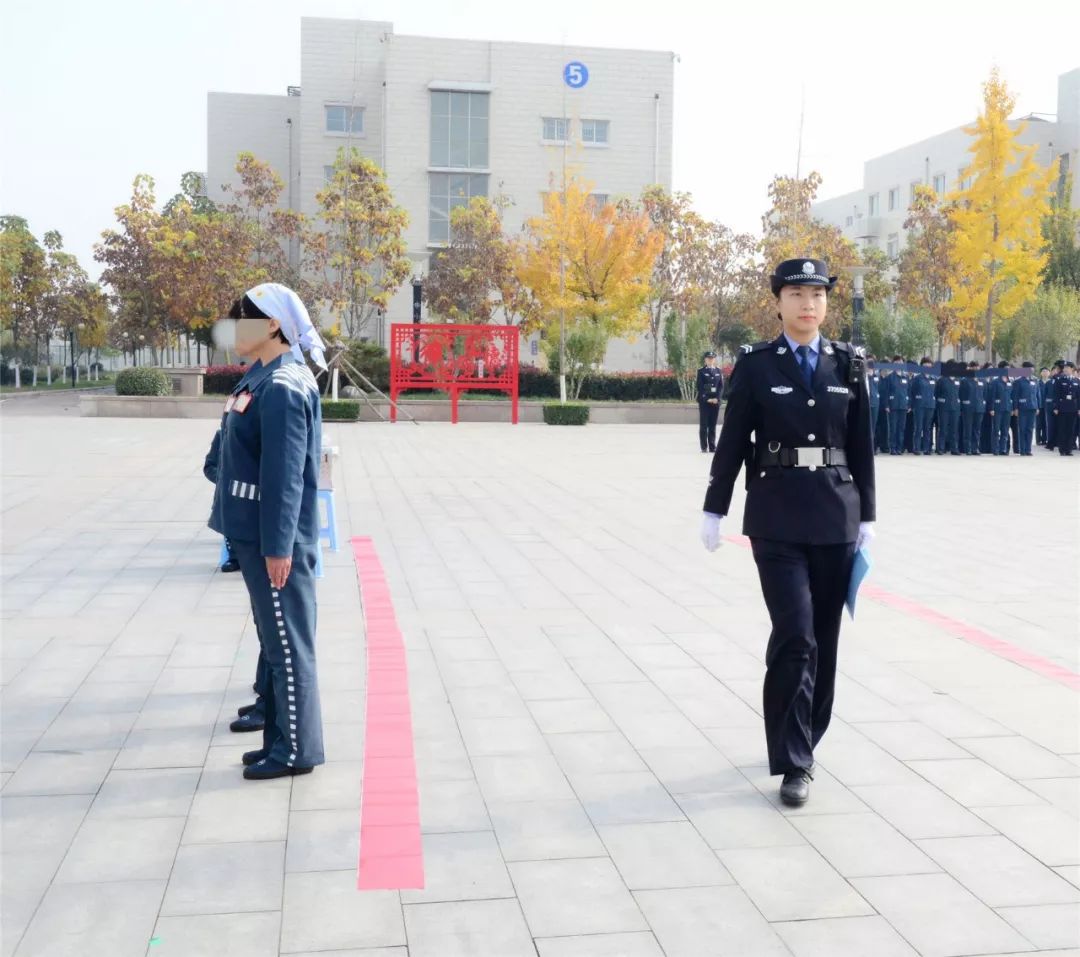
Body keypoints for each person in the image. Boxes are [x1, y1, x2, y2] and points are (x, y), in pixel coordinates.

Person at [699, 258, 875, 808]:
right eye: (796, 293)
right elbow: (731, 443)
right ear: (777, 301)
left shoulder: (848, 364)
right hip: (775, 518)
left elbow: (862, 445)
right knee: (795, 634)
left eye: (817, 295)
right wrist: (715, 507)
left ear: (826, 304)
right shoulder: (754, 364)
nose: (807, 304)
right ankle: (794, 762)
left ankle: (806, 738)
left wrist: (868, 517)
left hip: (835, 516)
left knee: (823, 638)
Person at [207, 282, 328, 780]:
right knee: (275, 644)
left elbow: (284, 476)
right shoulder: (262, 379)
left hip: (275, 541)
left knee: (287, 646)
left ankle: (297, 751)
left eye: (243, 320)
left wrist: (279, 546)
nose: (233, 330)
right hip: (255, 535)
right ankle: (278, 740)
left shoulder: (282, 386)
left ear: (272, 324)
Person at [696, 351, 724, 453]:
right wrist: (707, 398)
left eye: (712, 358)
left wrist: (717, 398)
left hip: (715, 402)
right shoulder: (701, 371)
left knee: (712, 425)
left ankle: (712, 446)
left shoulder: (718, 371)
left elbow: (720, 387)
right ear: (705, 359)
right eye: (708, 358)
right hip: (705, 402)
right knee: (704, 425)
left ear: (714, 359)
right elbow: (700, 386)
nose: (710, 360)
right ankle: (704, 447)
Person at [1011, 362, 1039, 456]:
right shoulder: (1018, 381)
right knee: (1022, 429)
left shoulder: (1035, 380)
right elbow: (1015, 396)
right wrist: (1015, 408)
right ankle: (1022, 449)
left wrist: (1037, 406)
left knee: (1030, 429)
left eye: (1032, 369)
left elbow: (1037, 395)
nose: (1031, 371)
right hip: (1022, 408)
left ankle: (1028, 449)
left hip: (1032, 407)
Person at [883, 357, 910, 455]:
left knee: (901, 428)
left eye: (901, 362)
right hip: (893, 406)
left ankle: (899, 448)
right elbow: (886, 392)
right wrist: (886, 405)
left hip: (903, 406)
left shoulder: (906, 377)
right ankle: (893, 448)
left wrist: (909, 404)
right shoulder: (890, 377)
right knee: (893, 428)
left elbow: (909, 391)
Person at [910, 358, 937, 455]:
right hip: (919, 406)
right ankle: (916, 448)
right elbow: (912, 392)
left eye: (929, 366)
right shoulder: (917, 379)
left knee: (927, 428)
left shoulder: (933, 379)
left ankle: (927, 448)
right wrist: (912, 404)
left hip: (930, 406)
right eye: (925, 366)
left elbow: (935, 392)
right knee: (918, 427)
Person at [986, 362, 1013, 455]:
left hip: (1007, 409)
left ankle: (1003, 449)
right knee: (996, 430)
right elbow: (991, 396)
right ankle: (995, 449)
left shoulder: (1009, 381)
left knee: (1005, 430)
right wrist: (991, 408)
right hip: (997, 409)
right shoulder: (995, 382)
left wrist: (1012, 408)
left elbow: (1011, 396)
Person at [1053, 361, 1079, 456]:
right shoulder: (1060, 380)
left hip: (1073, 407)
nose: (1065, 369)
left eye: (1067, 368)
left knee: (1071, 429)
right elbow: (1056, 394)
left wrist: (1079, 408)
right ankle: (1062, 449)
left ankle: (1069, 449)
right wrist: (1056, 407)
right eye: (1064, 368)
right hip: (1062, 407)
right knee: (1062, 429)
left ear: (1072, 369)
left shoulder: (1076, 381)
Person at [934, 369, 962, 455]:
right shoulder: (942, 380)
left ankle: (954, 448)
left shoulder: (958, 380)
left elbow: (960, 393)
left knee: (954, 429)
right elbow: (936, 393)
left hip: (955, 408)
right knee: (943, 428)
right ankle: (940, 448)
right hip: (944, 407)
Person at [867, 356, 882, 455]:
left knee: (873, 426)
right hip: (867, 403)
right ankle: (866, 448)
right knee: (867, 427)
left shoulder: (877, 376)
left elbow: (879, 389)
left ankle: (872, 448)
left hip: (875, 403)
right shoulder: (864, 375)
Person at [1036, 368, 1050, 446]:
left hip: (1047, 406)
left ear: (1049, 373)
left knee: (1045, 423)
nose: (1045, 373)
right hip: (1039, 406)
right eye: (1043, 371)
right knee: (1038, 424)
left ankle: (1045, 439)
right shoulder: (1038, 382)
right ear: (1041, 373)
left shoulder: (1051, 382)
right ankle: (1038, 439)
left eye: (1046, 371)